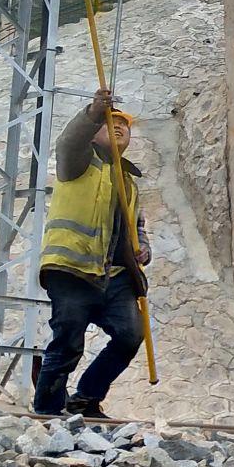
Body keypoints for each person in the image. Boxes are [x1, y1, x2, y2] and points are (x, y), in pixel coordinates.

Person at [32, 86, 149, 420]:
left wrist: (143, 249)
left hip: (115, 275)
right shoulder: (78, 163)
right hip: (72, 268)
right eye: (108, 122)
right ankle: (48, 410)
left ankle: (85, 400)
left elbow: (135, 225)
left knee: (129, 335)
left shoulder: (128, 181)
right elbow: (68, 142)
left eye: (123, 125)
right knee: (69, 340)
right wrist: (93, 111)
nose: (117, 127)